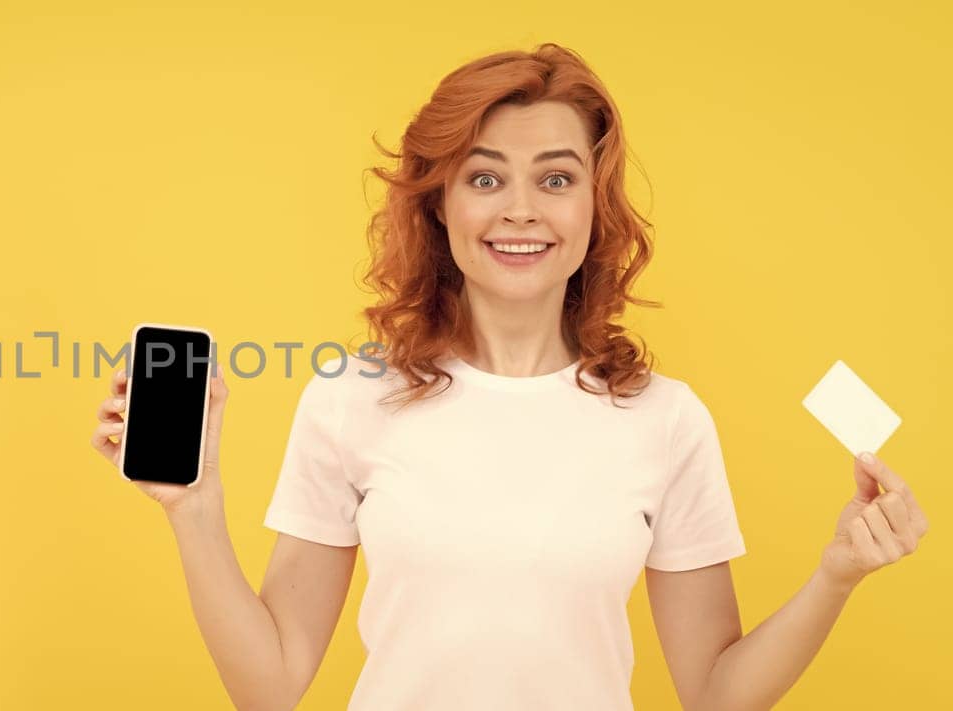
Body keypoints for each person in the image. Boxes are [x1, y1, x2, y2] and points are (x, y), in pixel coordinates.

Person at [88, 43, 930, 711]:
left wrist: (836, 576)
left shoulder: (664, 419)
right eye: (485, 177)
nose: (520, 209)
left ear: (592, 209)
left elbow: (714, 692)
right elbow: (268, 688)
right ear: (439, 206)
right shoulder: (350, 400)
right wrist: (195, 513)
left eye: (556, 179)